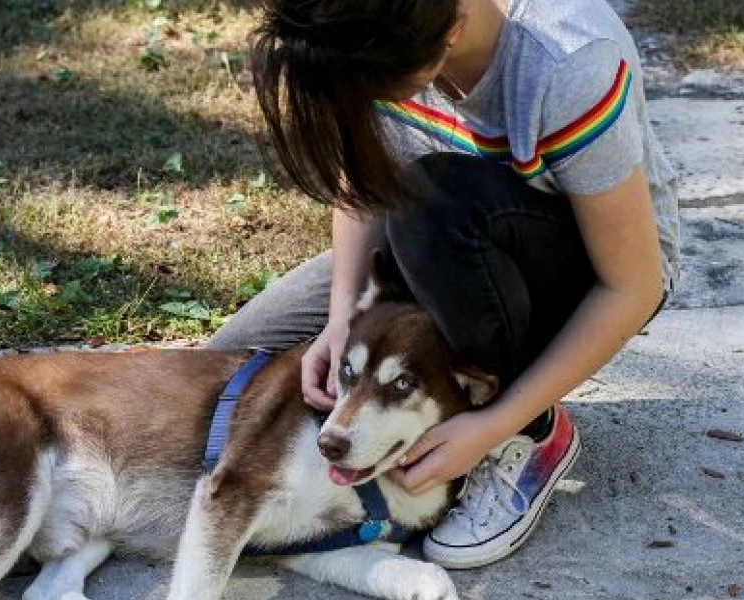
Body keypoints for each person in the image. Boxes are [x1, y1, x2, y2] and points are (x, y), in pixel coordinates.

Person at [209, 0, 680, 568]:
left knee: (434, 202)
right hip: (430, 237)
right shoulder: (367, 29)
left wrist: (490, 427)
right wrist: (343, 318)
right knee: (226, 369)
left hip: (586, 268)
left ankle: (533, 433)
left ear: (452, 28)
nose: (377, 106)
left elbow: (633, 285)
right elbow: (361, 187)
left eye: (383, 93)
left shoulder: (567, 64)